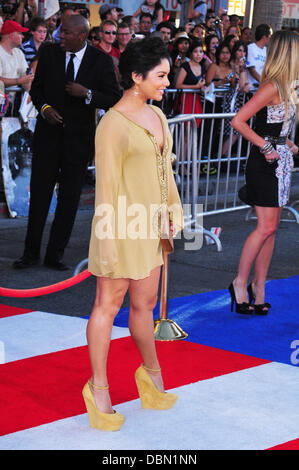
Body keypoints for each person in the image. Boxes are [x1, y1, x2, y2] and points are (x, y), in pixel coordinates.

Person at [84, 36, 183, 431]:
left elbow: (166, 170)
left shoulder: (158, 117)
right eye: (160, 76)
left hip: (151, 226)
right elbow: (105, 190)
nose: (166, 83)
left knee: (143, 305)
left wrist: (173, 212)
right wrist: (107, 242)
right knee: (108, 306)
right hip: (120, 226)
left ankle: (151, 376)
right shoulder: (112, 124)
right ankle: (99, 389)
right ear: (136, 76)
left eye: (167, 75)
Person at [13, 14, 121, 271]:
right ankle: (30, 253)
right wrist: (45, 108)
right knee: (39, 195)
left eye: (66, 34)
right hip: (47, 138)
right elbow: (36, 90)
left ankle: (55, 254)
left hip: (79, 141)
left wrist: (88, 94)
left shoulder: (101, 61)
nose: (60, 37)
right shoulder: (50, 53)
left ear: (81, 36)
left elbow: (113, 96)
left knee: (69, 199)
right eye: (60, 33)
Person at [229, 30, 299, 315]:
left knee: (271, 230)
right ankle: (239, 283)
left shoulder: (288, 86)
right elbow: (239, 121)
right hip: (264, 164)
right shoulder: (270, 86)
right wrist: (267, 146)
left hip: (281, 162)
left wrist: (288, 145)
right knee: (265, 227)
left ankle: (260, 288)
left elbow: (274, 127)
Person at [0, 20, 34, 111]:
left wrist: (29, 94)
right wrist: (19, 81)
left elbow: (25, 77)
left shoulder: (18, 52)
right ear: (11, 35)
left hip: (12, 105)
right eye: (20, 33)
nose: (23, 36)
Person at [175, 40, 205, 124]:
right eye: (195, 51)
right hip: (185, 99)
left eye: (201, 51)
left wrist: (202, 87)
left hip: (197, 100)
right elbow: (178, 85)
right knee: (186, 128)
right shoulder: (185, 66)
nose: (198, 54)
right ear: (191, 53)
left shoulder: (202, 67)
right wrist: (196, 87)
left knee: (195, 126)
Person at [246, 23, 272, 88]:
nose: (270, 39)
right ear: (264, 37)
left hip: (262, 86)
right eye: (270, 36)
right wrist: (263, 82)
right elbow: (252, 70)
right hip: (252, 87)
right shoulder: (250, 48)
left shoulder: (266, 50)